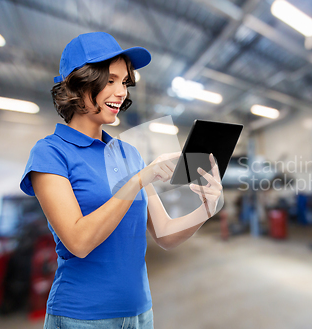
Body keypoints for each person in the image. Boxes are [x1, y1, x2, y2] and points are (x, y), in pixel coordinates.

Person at [19, 32, 223, 329]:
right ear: (80, 82)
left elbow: (164, 233)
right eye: (111, 80)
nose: (122, 92)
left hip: (140, 313)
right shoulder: (50, 153)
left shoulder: (129, 153)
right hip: (82, 317)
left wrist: (206, 209)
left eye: (125, 82)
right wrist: (136, 181)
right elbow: (78, 241)